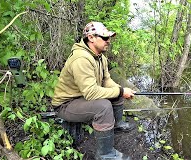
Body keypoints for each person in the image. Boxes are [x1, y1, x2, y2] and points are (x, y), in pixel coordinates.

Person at [52, 21, 135, 160]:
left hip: (81, 97)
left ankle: (117, 124)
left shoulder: (100, 57)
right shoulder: (81, 58)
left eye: (109, 38)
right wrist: (121, 91)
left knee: (116, 90)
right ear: (91, 38)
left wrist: (120, 91)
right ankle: (105, 154)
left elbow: (107, 80)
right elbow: (91, 93)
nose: (108, 41)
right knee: (103, 107)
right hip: (66, 105)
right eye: (104, 38)